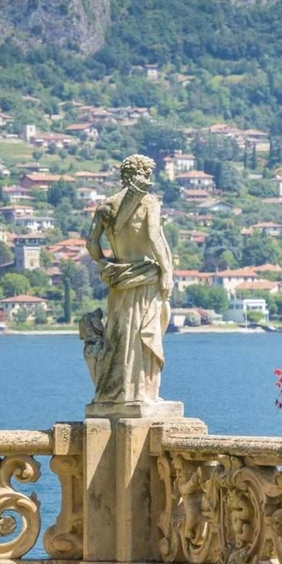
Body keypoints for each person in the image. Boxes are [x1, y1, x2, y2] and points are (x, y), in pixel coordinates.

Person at [84, 154, 174, 406]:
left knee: (119, 333)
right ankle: (143, 393)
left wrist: (105, 264)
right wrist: (167, 271)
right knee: (144, 334)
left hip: (119, 279)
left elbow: (91, 244)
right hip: (145, 279)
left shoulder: (106, 206)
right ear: (144, 174)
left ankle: (118, 392)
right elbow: (154, 238)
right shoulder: (148, 202)